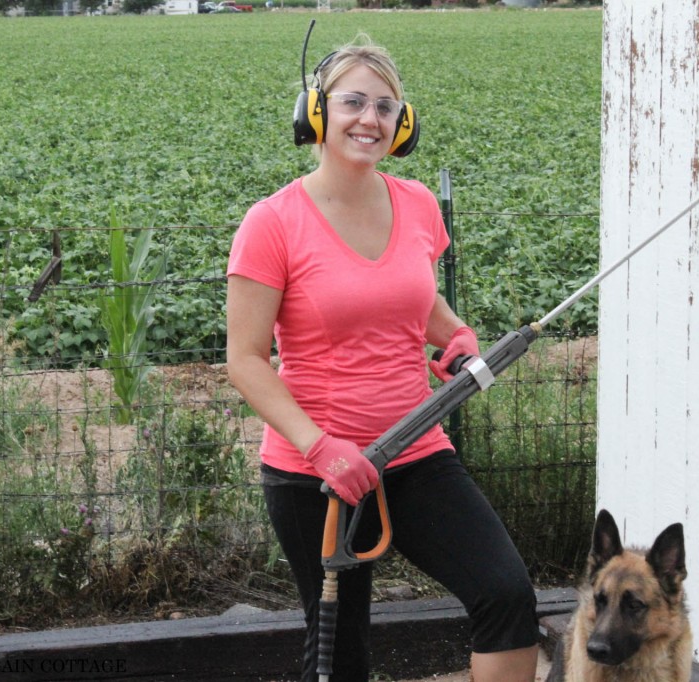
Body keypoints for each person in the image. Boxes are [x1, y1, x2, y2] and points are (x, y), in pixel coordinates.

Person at [225, 34, 539, 682]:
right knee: (343, 656)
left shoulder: (418, 204)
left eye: (387, 107)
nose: (370, 119)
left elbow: (413, 303)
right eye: (354, 102)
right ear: (317, 113)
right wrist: (320, 447)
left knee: (505, 592)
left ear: (404, 123)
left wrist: (456, 337)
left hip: (414, 449)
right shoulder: (272, 223)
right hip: (317, 473)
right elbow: (246, 360)